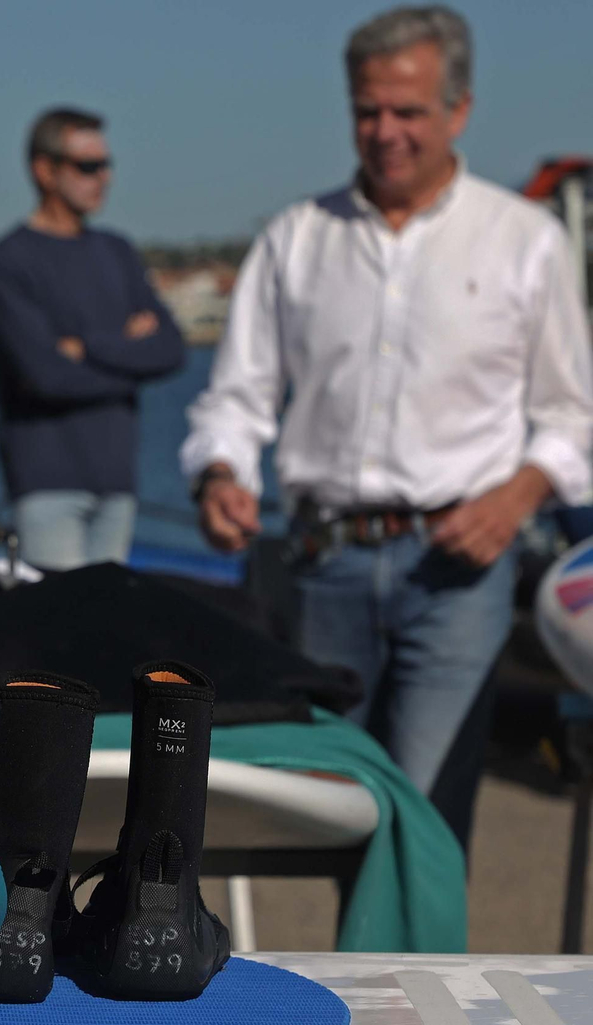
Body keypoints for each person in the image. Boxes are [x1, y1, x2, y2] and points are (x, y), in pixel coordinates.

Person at [181, 6, 593, 816]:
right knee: (333, 816)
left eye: (408, 111)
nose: (385, 131)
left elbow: (574, 416)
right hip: (322, 566)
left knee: (429, 819)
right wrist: (221, 475)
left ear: (459, 109)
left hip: (460, 574)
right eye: (368, 111)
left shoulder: (523, 240)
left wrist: (513, 502)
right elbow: (236, 397)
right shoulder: (296, 239)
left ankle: (426, 948)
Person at [0, 107, 186, 571]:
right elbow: (45, 376)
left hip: (117, 479)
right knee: (61, 626)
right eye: (89, 166)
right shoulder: (9, 261)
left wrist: (89, 347)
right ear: (45, 170)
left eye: (107, 165)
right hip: (46, 481)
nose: (105, 178)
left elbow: (171, 350)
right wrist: (130, 359)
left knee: (106, 629)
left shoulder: (117, 253)